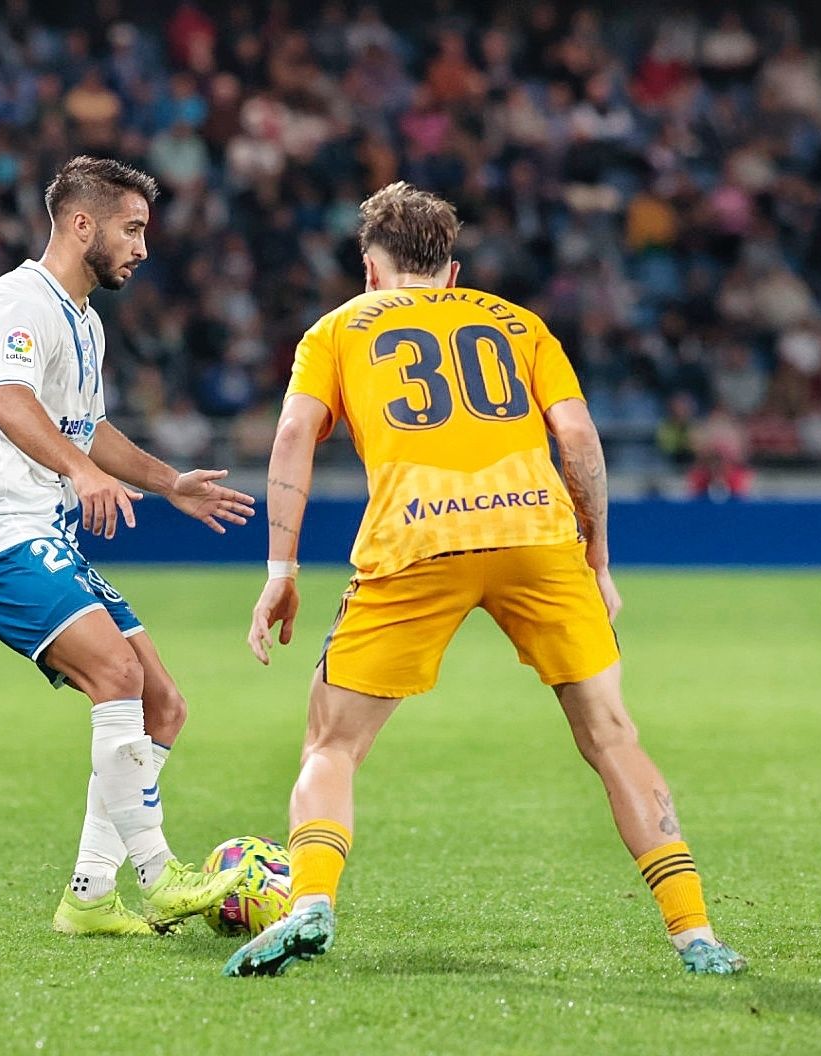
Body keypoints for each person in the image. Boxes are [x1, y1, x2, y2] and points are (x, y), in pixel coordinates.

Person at [223, 182, 746, 977]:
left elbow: (295, 432)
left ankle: (311, 904)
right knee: (612, 736)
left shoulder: (335, 330)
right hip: (535, 530)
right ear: (453, 271)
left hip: (415, 538)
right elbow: (578, 439)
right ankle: (695, 933)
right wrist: (595, 559)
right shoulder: (519, 324)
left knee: (332, 743)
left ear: (371, 269)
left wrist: (281, 568)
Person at [0, 156, 256, 936]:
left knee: (162, 703)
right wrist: (78, 473)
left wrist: (167, 481)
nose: (143, 247)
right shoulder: (20, 302)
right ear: (83, 224)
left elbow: (91, 428)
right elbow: (10, 404)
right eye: (133, 228)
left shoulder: (84, 319)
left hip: (39, 529)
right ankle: (159, 877)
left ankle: (88, 895)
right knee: (114, 671)